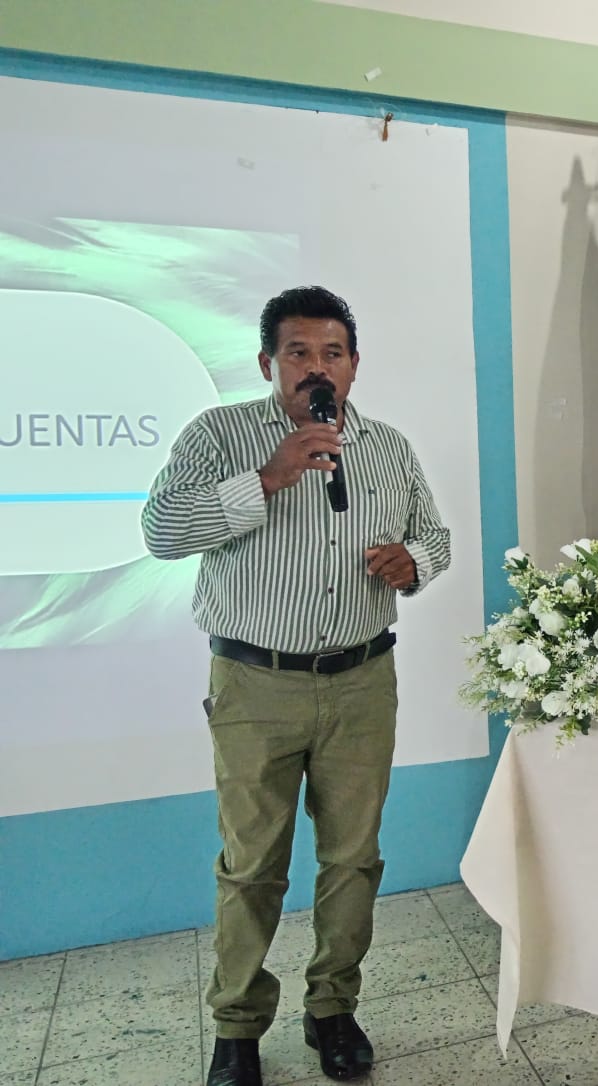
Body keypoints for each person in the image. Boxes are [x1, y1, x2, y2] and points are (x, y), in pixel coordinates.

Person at [141, 286, 451, 1086]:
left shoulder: (387, 446)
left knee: (354, 859)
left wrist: (414, 562)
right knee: (252, 866)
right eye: (299, 352)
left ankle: (332, 1009)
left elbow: (434, 535)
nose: (318, 367)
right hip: (256, 685)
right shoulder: (219, 435)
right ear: (267, 362)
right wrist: (266, 478)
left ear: (354, 364)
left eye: (332, 353)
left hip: (363, 682)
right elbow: (162, 530)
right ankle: (237, 1026)